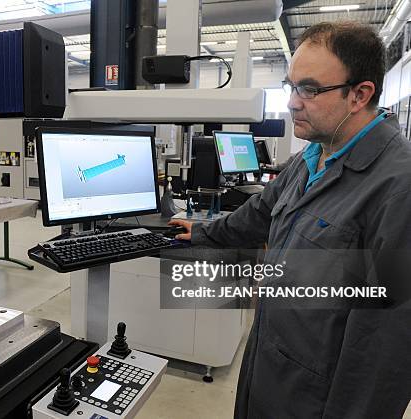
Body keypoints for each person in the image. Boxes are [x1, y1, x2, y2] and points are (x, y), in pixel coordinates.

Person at [170, 22, 411, 418]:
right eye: (291, 86)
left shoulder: (398, 188)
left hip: (315, 398)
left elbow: (382, 353)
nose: (292, 103)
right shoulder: (310, 158)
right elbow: (259, 214)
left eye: (310, 90)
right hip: (268, 366)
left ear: (360, 94)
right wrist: (202, 230)